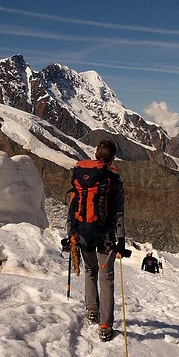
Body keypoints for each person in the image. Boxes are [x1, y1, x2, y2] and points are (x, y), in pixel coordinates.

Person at [66, 140, 127, 342]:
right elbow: (118, 213)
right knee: (106, 277)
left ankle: (92, 310)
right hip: (105, 238)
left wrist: (71, 232)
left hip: (83, 233)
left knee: (90, 271)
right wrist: (121, 239)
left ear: (95, 155)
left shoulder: (82, 178)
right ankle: (106, 325)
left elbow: (72, 206)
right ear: (113, 158)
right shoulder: (114, 182)